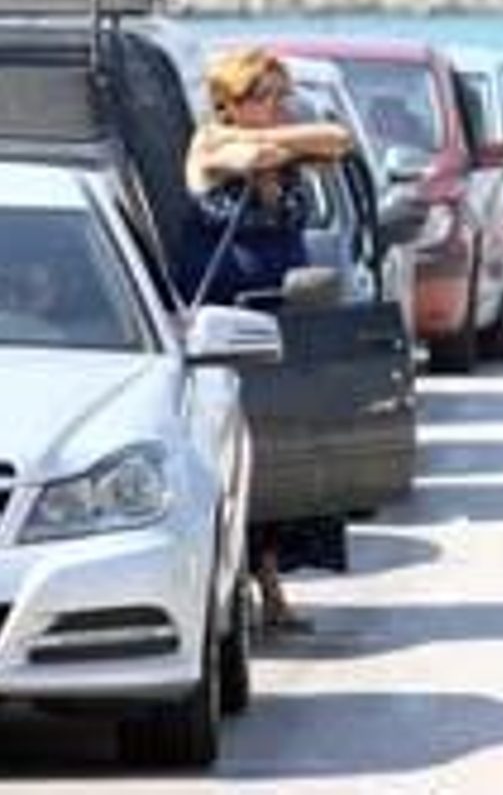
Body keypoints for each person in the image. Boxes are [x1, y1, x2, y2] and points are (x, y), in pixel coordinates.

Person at [180, 48, 352, 634]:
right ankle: (238, 587)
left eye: (283, 94)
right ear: (228, 102)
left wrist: (281, 141)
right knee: (233, 456)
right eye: (264, 96)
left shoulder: (282, 152)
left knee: (283, 458)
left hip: (284, 322)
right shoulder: (207, 143)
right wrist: (284, 145)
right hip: (227, 328)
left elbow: (338, 139)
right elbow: (249, 155)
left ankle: (273, 586)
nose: (278, 105)